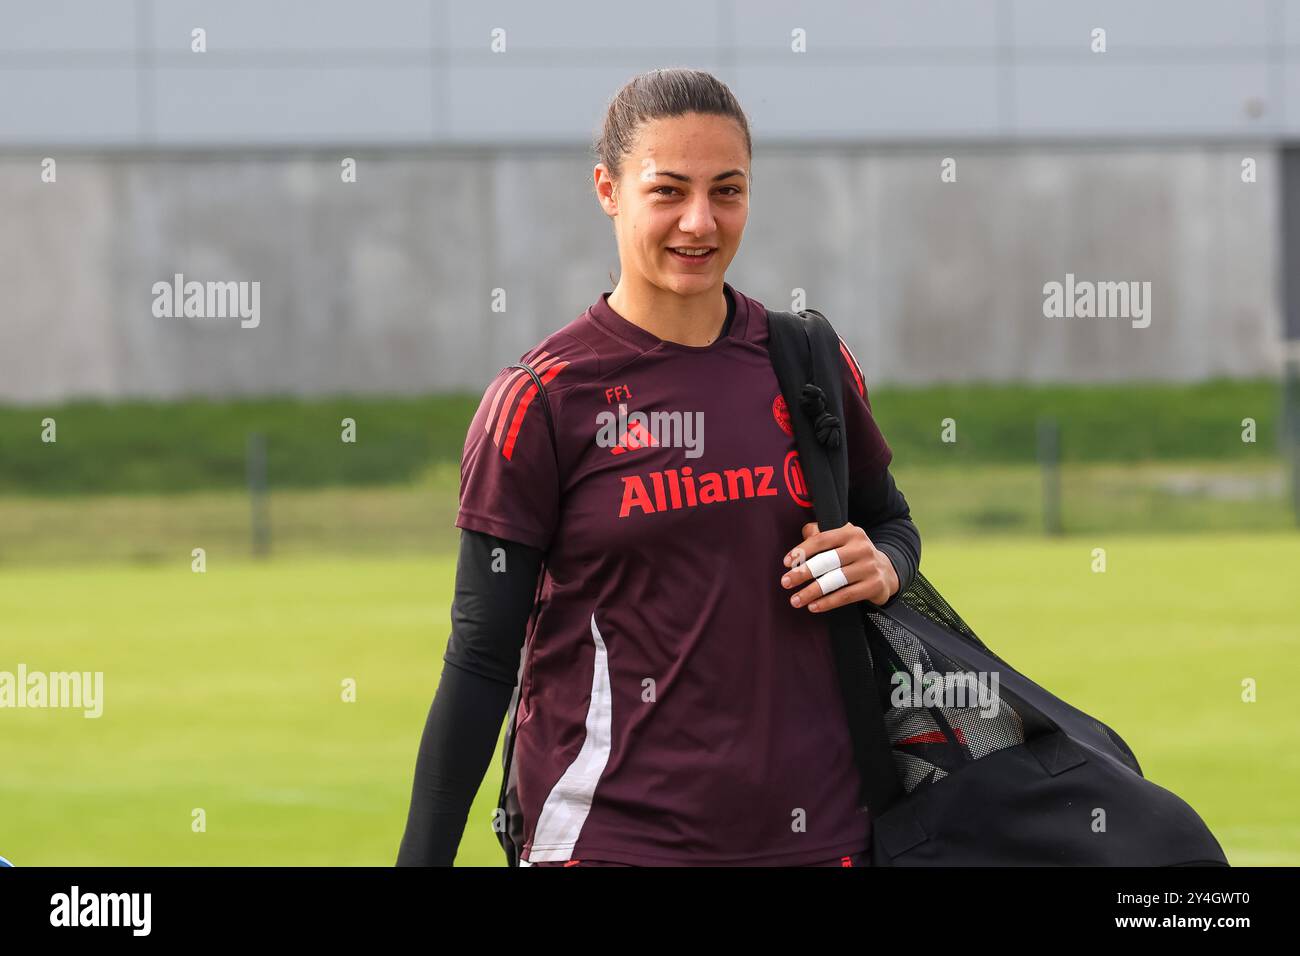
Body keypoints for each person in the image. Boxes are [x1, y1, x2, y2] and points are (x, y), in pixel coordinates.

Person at [397, 68, 920, 867]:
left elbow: (890, 522)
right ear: (608, 190)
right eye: (668, 191)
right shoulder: (542, 402)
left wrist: (880, 563)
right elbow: (480, 658)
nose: (700, 222)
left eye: (728, 191)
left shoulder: (807, 361)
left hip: (821, 835)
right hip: (612, 839)